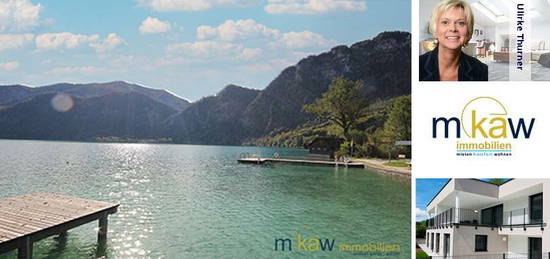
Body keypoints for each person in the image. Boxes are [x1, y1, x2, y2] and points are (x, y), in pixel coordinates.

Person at [420, 0, 488, 81]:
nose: (453, 29)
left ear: (468, 30)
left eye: (461, 23)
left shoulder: (482, 70)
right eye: (445, 22)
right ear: (435, 29)